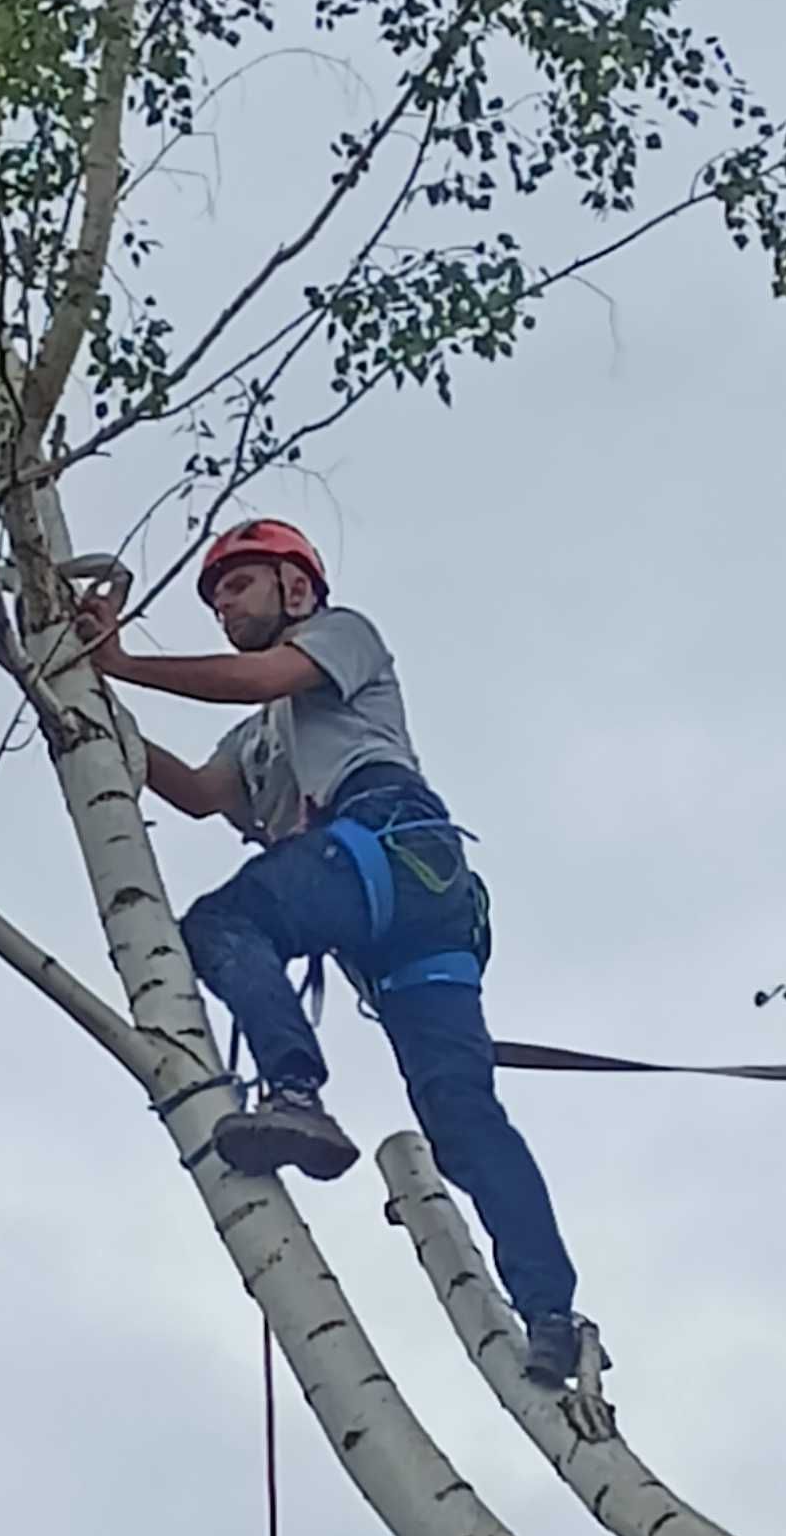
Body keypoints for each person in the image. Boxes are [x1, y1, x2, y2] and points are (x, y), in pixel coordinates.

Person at [88, 515, 591, 1387]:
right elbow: (203, 794)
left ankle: (296, 1091)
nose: (223, 606)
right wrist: (88, 704)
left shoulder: (341, 638)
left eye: (237, 585)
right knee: (461, 1119)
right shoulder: (263, 736)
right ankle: (552, 1316)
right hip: (404, 920)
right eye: (214, 598)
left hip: (388, 844)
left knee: (220, 925)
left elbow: (260, 677)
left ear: (297, 587)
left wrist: (123, 664)